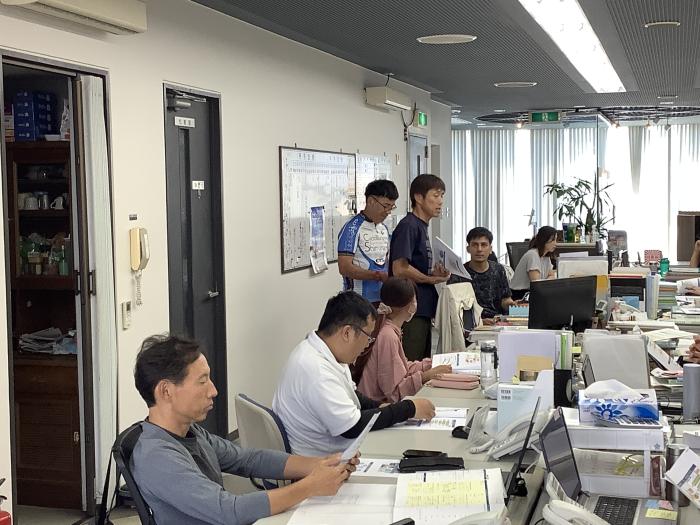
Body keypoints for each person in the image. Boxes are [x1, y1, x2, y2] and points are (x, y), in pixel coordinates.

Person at [130, 334, 357, 525]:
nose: (213, 391)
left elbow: (248, 459)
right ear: (166, 391)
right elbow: (228, 511)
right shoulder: (156, 456)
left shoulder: (190, 432)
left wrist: (321, 464)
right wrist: (310, 486)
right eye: (202, 381)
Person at [273, 291, 436, 456]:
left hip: (338, 449)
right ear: (347, 333)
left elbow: (351, 394)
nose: (367, 345)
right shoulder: (316, 371)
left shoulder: (325, 348)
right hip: (320, 461)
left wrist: (380, 407)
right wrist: (408, 408)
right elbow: (352, 427)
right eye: (368, 337)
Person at [356, 277, 452, 402]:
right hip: (377, 404)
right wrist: (425, 376)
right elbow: (394, 392)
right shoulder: (388, 335)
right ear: (410, 304)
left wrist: (431, 364)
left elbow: (401, 368)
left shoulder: (390, 329)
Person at [389, 174, 450, 360]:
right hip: (410, 308)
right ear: (418, 197)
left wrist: (432, 273)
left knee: (422, 362)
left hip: (422, 307)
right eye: (435, 195)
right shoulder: (409, 226)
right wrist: (430, 279)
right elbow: (400, 269)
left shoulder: (421, 226)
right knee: (411, 361)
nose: (440, 201)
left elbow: (413, 265)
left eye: (442, 196)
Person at [337, 179, 399, 305]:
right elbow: (344, 267)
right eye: (386, 206)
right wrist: (376, 275)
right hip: (357, 301)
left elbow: (386, 261)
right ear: (371, 201)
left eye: (391, 207)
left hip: (383, 298)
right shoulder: (352, 228)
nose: (388, 212)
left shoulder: (384, 228)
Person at [448, 227, 516, 322]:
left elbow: (505, 299)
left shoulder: (499, 270)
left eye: (484, 245)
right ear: (468, 249)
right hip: (470, 325)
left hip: (496, 322)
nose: (479, 249)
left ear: (490, 249)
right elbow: (454, 309)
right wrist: (479, 322)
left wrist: (512, 304)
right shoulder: (459, 273)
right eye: (475, 245)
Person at [510, 226, 558, 300]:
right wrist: (548, 280)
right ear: (544, 240)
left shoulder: (546, 257)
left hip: (532, 294)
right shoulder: (532, 255)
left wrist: (547, 280)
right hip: (519, 297)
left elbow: (552, 276)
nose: (555, 243)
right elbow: (536, 284)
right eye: (553, 240)